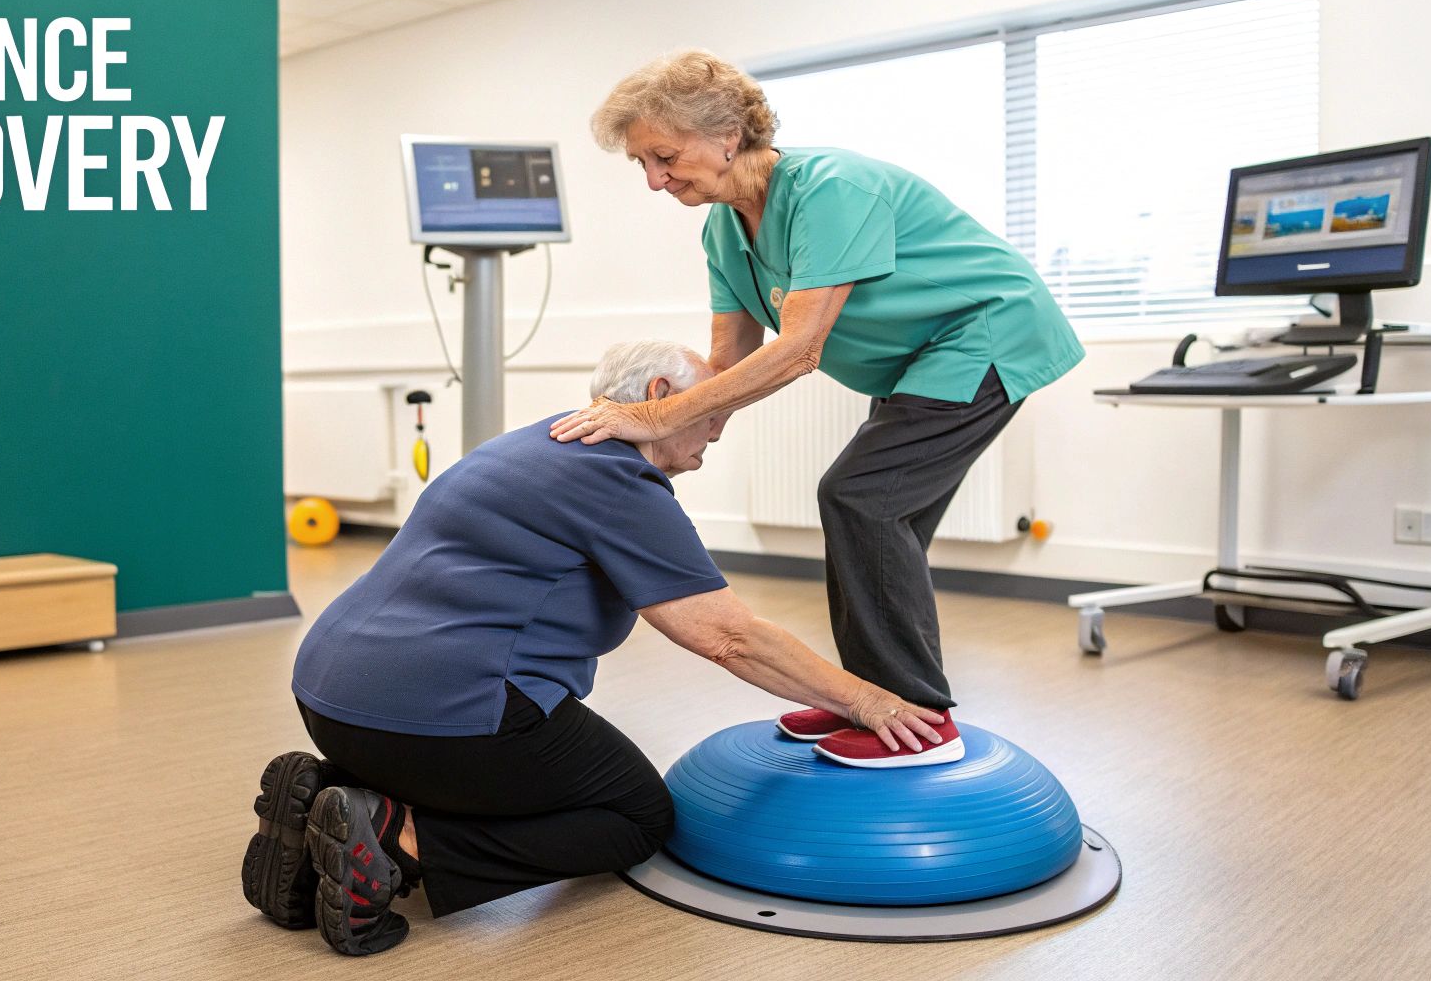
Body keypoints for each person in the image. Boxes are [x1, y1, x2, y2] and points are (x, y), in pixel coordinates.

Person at [242, 340, 951, 957]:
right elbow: (727, 636)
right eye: (713, 415)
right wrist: (865, 697)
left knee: (514, 761)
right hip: (446, 714)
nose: (716, 438)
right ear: (660, 396)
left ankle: (326, 807)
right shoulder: (618, 479)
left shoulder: (531, 441)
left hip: (331, 696)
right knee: (634, 816)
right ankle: (398, 839)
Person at [555, 50, 1085, 763]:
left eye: (665, 156)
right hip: (917, 362)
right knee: (878, 520)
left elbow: (800, 349)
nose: (655, 180)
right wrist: (663, 447)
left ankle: (917, 717)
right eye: (642, 165)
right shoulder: (722, 230)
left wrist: (652, 421)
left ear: (727, 136)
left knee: (858, 498)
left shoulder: (831, 189)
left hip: (986, 333)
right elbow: (729, 364)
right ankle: (870, 700)